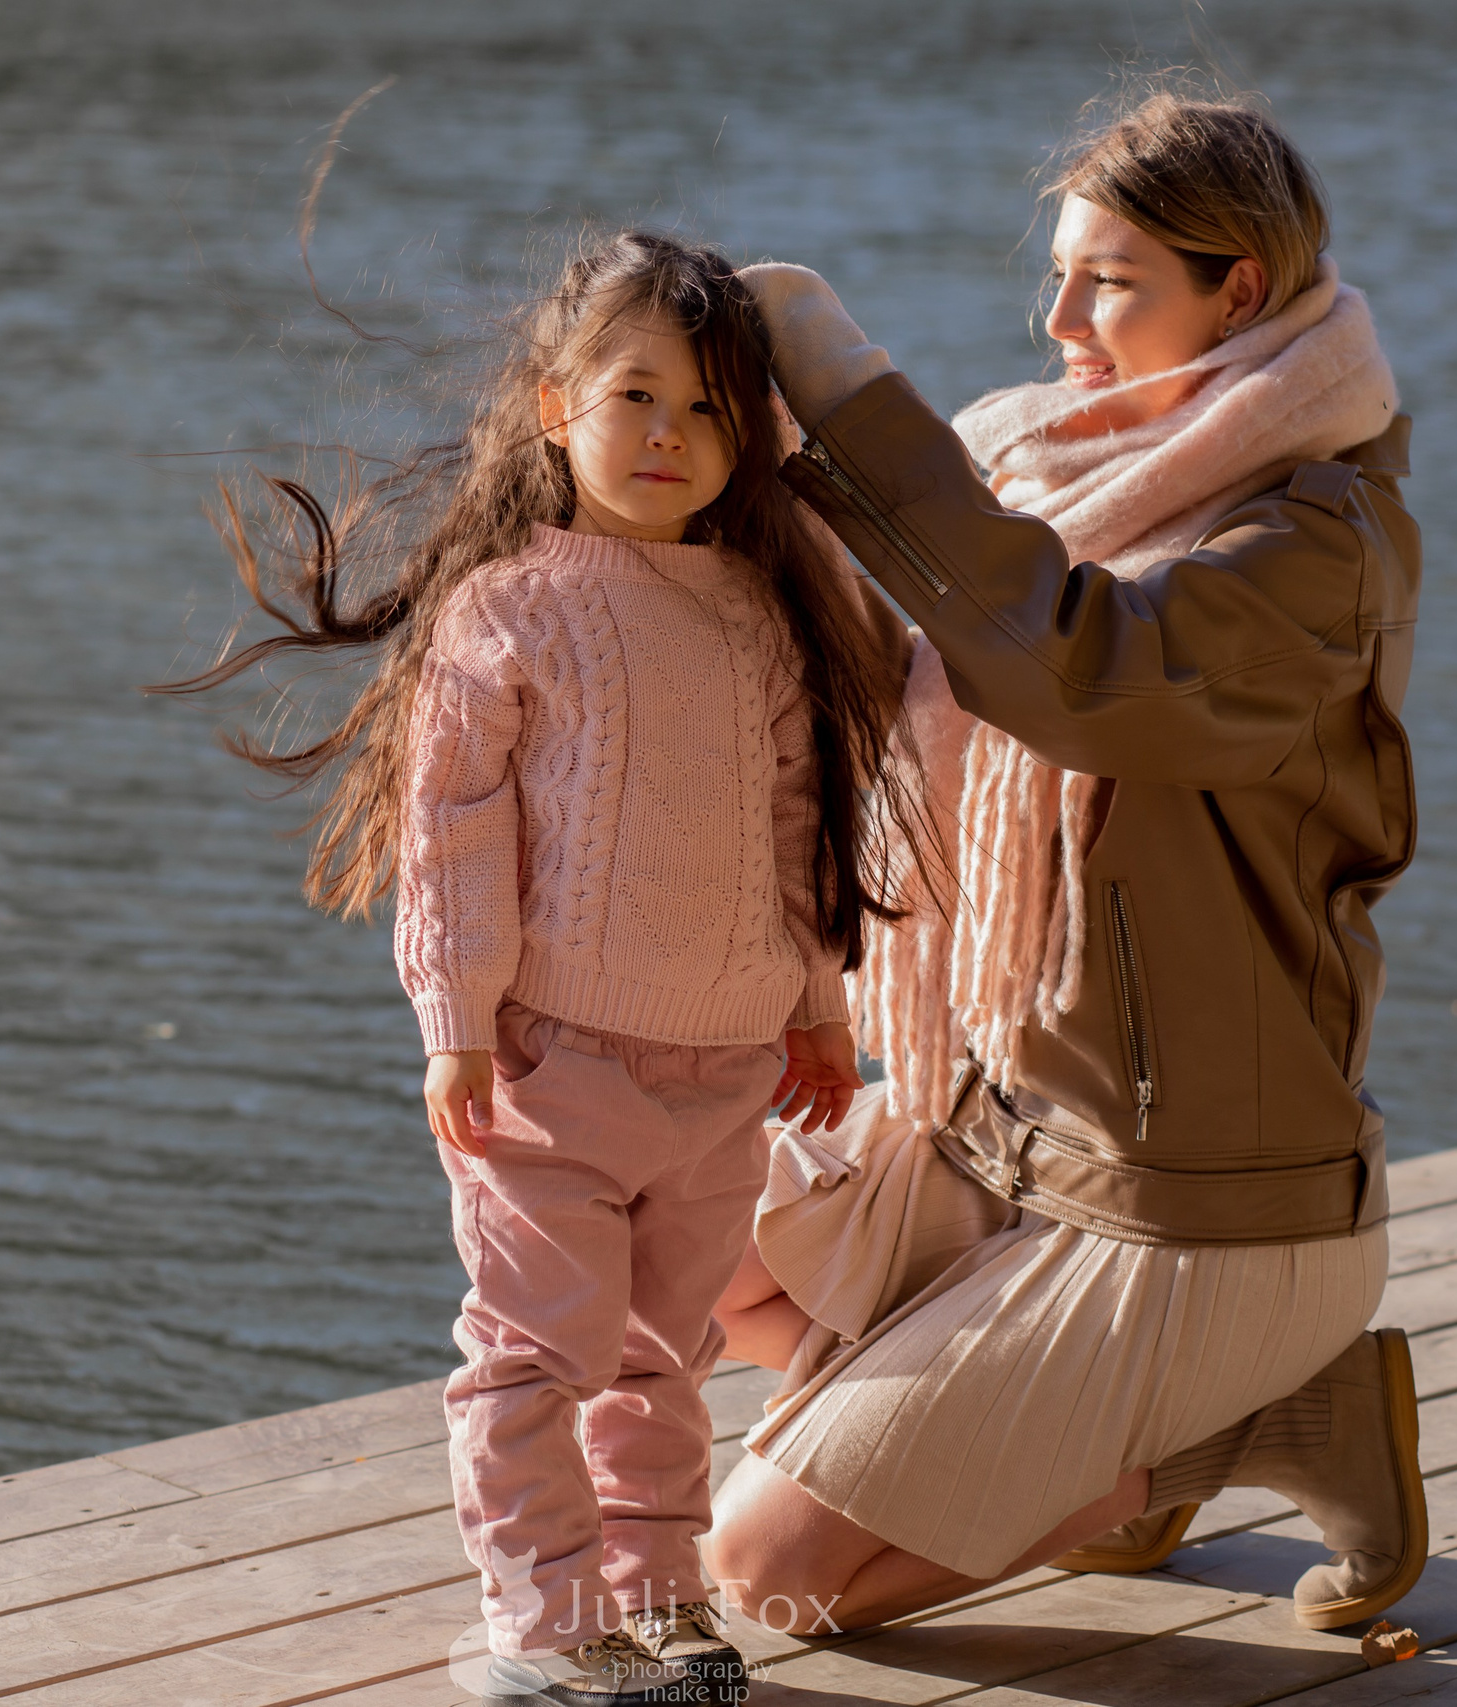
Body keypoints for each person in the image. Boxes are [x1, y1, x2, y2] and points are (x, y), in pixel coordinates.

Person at [701, 92, 1431, 1638]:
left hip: (1194, 1207)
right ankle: (1061, 1440)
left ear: (1241, 287)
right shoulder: (1053, 473)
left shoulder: (1314, 551)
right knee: (683, 1214)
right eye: (1060, 274)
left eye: (1111, 279)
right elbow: (920, 615)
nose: (1061, 322)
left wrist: (841, 384)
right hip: (1004, 1134)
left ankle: (1222, 1420)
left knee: (764, 1570)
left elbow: (1075, 667)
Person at [153, 231, 910, 1705]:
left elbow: (791, 820)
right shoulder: (506, 608)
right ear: (556, 406)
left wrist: (817, 1005)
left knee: (662, 1358)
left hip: (722, 1068)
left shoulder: (753, 615)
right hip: (551, 1060)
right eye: (636, 397)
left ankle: (654, 1597)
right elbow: (451, 835)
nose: (670, 437)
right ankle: (544, 1617)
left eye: (707, 410)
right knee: (535, 1350)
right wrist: (456, 1025)